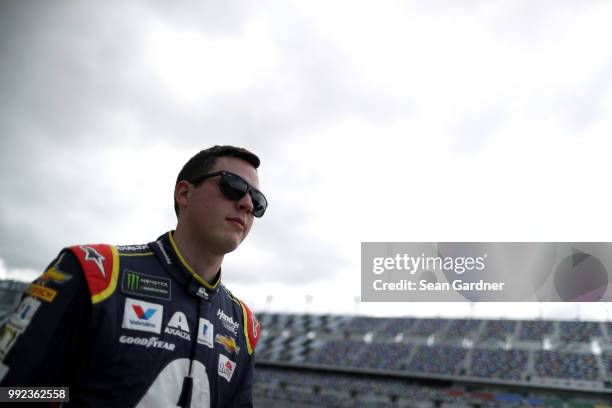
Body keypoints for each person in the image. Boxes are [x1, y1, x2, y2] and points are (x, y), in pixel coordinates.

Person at [0, 145, 267, 407]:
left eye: (257, 202)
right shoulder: (95, 272)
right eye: (232, 186)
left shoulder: (243, 325)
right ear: (184, 193)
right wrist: (77, 395)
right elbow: (13, 392)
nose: (245, 204)